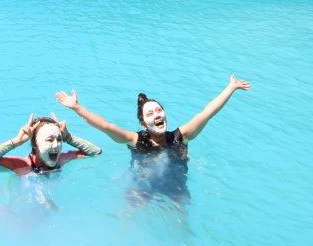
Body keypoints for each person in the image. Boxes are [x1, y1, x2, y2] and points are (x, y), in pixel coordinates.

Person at [55, 77, 251, 200]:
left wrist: (231, 87)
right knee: (125, 224)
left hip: (176, 188)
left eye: (159, 110)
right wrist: (76, 107)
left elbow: (207, 112)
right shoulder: (135, 140)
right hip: (142, 186)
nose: (157, 115)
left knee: (182, 231)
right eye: (150, 114)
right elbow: (106, 126)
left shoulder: (180, 136)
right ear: (143, 124)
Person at [0, 113, 101, 176]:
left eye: (59, 139)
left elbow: (96, 152)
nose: (56, 145)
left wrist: (68, 137)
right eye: (49, 140)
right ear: (35, 145)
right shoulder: (22, 166)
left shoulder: (62, 159)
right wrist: (16, 141)